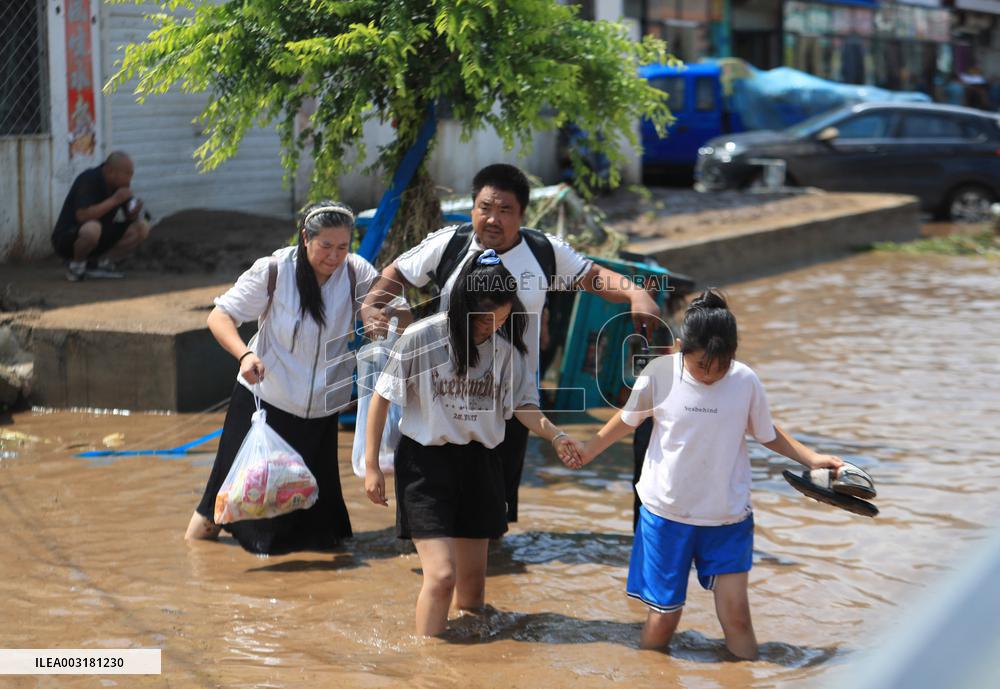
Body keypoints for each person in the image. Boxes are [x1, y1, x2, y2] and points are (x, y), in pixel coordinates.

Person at [361, 163, 659, 524]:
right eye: (485, 208)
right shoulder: (449, 245)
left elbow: (592, 277)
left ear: (522, 215)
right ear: (472, 207)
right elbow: (397, 273)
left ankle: (486, 566)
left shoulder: (542, 251)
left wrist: (635, 294)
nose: (492, 219)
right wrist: (372, 305)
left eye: (505, 210)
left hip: (511, 399)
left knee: (493, 508)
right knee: (433, 502)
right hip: (442, 395)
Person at [571, 290, 844, 659]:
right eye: (702, 366)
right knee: (664, 620)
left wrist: (812, 458)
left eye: (722, 365)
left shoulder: (745, 381)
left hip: (727, 517)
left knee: (738, 619)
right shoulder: (660, 374)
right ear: (681, 347)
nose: (712, 375)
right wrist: (588, 450)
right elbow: (627, 420)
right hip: (667, 515)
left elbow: (767, 433)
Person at [363, 250, 581, 636]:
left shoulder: (507, 353)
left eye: (499, 318)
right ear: (462, 304)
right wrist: (371, 466)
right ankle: (427, 665)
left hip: (481, 465)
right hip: (425, 467)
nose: (489, 327)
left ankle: (473, 666)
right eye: (482, 318)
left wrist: (556, 433)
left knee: (473, 594)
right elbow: (382, 398)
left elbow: (523, 407)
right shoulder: (421, 338)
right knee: (442, 576)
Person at [185, 201, 378, 555]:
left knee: (318, 521)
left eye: (342, 247)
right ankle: (193, 563)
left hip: (320, 413)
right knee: (222, 503)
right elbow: (220, 316)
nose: (334, 256)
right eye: (325, 246)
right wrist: (245, 354)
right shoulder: (275, 270)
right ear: (306, 238)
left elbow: (384, 307)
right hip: (264, 404)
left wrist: (379, 315)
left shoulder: (356, 272)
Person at [51, 151, 150, 281]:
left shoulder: (120, 186)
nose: (129, 179)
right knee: (92, 228)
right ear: (110, 171)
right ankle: (77, 268)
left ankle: (100, 263)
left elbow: (130, 218)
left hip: (99, 235)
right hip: (68, 238)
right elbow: (82, 216)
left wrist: (134, 211)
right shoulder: (88, 179)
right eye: (127, 174)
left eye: (131, 174)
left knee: (141, 228)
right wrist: (114, 200)